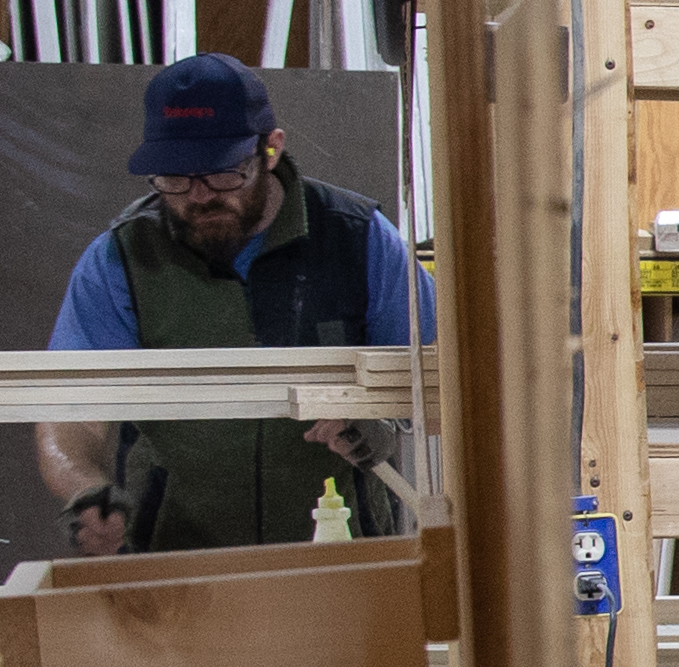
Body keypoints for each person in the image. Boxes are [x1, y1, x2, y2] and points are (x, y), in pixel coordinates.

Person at [31, 52, 423, 558]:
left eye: (221, 175)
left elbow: (438, 377)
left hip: (340, 553)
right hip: (176, 566)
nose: (199, 197)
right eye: (174, 179)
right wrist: (86, 488)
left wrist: (381, 425)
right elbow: (71, 407)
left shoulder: (359, 240)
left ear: (271, 150)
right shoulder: (122, 259)